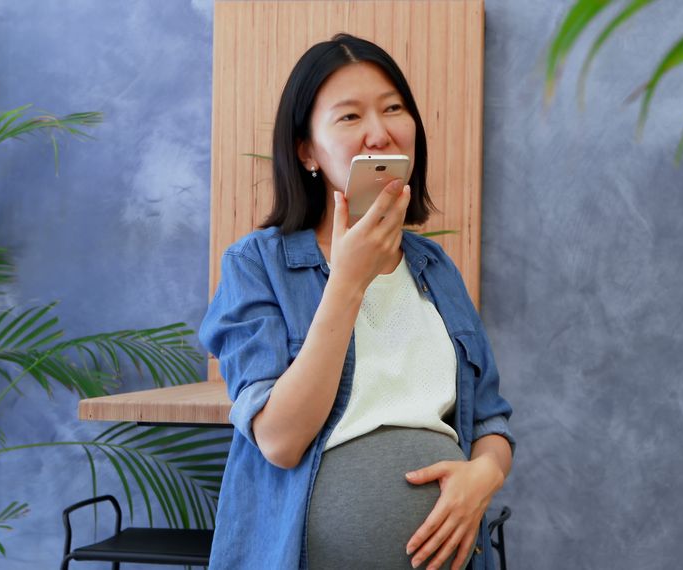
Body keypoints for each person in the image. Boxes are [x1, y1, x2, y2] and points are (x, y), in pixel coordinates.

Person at [198, 33, 515, 570]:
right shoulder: (256, 264)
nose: (380, 130)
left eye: (394, 108)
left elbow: (490, 421)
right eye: (349, 117)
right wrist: (347, 281)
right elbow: (279, 440)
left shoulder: (435, 268)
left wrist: (483, 475)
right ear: (307, 151)